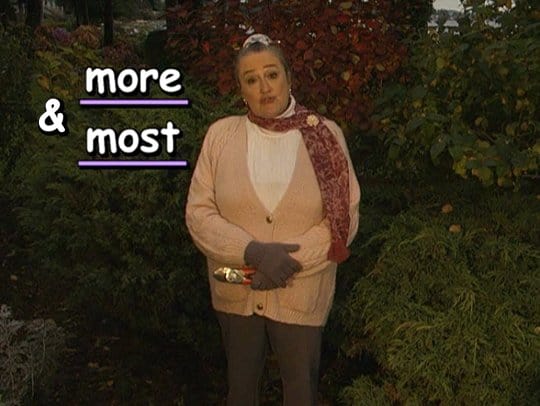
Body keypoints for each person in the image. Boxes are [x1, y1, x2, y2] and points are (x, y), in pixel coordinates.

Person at [185, 33, 360, 406]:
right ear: (241, 90)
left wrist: (285, 264)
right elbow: (199, 214)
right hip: (235, 288)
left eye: (272, 74)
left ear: (288, 77)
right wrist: (254, 253)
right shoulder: (220, 136)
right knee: (240, 391)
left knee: (300, 393)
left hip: (302, 290)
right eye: (251, 79)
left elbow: (344, 217)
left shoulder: (325, 135)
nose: (264, 87)